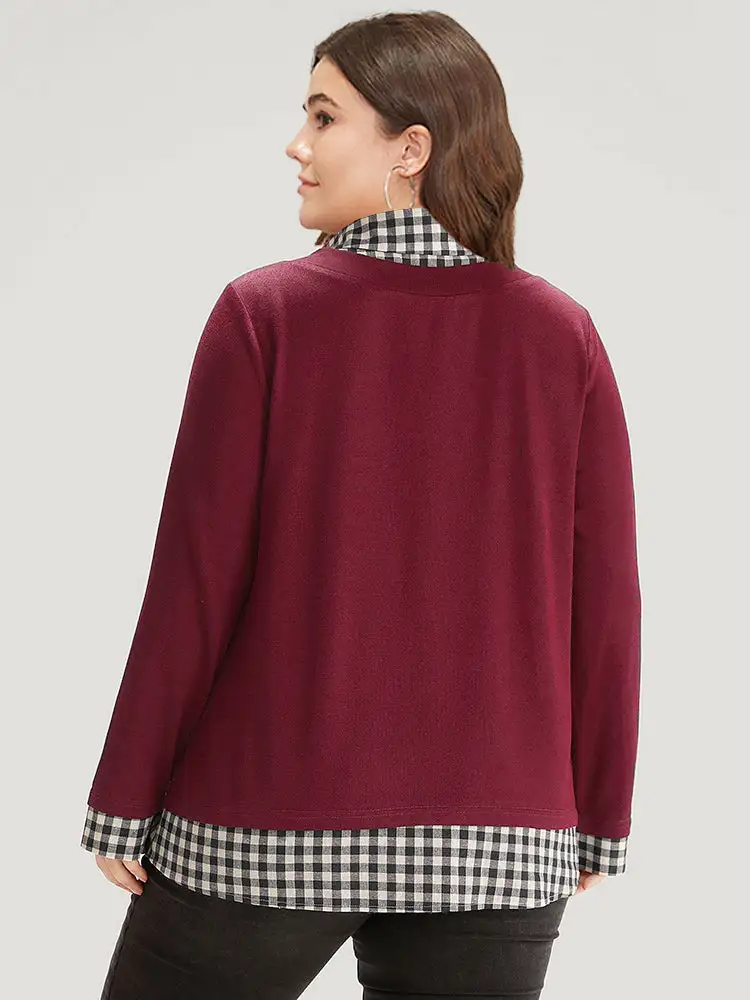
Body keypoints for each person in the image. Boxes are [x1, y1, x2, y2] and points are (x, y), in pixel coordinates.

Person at [80, 11, 641, 1000]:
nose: (296, 145)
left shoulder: (266, 314)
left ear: (409, 150)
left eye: (324, 116)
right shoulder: (563, 335)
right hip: (500, 839)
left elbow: (195, 584)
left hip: (262, 823)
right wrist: (598, 810)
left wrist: (126, 792)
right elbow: (606, 603)